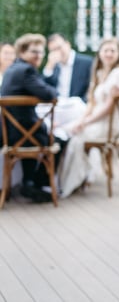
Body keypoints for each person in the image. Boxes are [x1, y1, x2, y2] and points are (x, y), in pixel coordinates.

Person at [59, 37, 119, 197]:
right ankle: (74, 178)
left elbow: (108, 108)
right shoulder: (99, 73)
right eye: (106, 50)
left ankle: (72, 182)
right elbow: (92, 103)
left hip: (110, 124)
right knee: (67, 130)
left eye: (112, 51)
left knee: (74, 138)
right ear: (99, 53)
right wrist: (82, 120)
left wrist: (85, 122)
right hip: (97, 120)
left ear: (118, 54)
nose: (109, 54)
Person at [0, 34, 62, 203]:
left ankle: (28, 182)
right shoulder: (26, 70)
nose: (38, 56)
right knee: (60, 139)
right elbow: (49, 93)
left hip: (10, 133)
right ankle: (37, 184)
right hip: (23, 134)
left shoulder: (13, 69)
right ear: (22, 52)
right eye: (34, 52)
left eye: (41, 52)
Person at [42, 33, 93, 102]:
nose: (57, 52)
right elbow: (44, 88)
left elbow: (92, 87)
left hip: (80, 106)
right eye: (53, 50)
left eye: (59, 47)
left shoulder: (87, 62)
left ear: (68, 44)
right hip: (58, 106)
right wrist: (49, 67)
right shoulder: (53, 66)